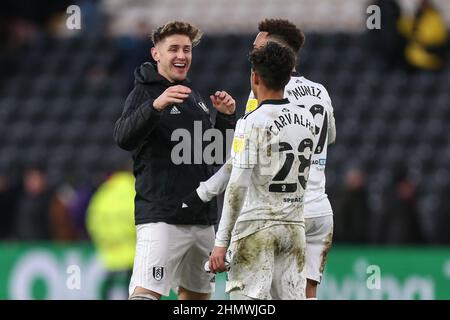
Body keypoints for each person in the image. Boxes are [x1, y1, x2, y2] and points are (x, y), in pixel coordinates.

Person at [187, 19, 336, 299]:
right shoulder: (320, 92)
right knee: (306, 292)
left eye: (256, 47)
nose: (252, 52)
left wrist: (205, 192)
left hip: (270, 216)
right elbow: (327, 140)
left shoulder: (263, 96)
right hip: (315, 212)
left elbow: (240, 168)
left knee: (252, 299)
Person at [113, 21, 236, 300]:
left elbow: (212, 155)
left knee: (196, 298)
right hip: (162, 219)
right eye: (173, 49)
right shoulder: (144, 93)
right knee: (145, 294)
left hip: (202, 220)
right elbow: (123, 137)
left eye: (187, 49)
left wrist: (226, 118)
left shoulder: (195, 98)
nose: (181, 55)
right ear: (156, 54)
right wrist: (156, 106)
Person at [208, 41, 316, 300]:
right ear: (289, 76)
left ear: (254, 77)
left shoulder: (252, 121)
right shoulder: (308, 119)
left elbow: (237, 186)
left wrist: (221, 242)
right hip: (293, 228)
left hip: (256, 228)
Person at [86, 170, 136, 300]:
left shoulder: (103, 193)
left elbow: (92, 220)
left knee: (108, 283)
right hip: (133, 251)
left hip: (109, 250)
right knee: (132, 286)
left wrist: (101, 240)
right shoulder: (134, 189)